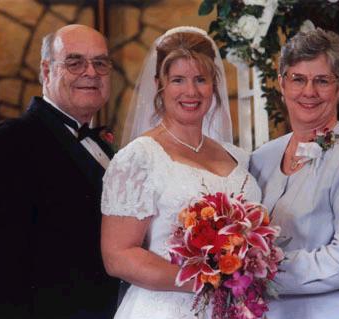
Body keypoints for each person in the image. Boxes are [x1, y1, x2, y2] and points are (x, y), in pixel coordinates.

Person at [100, 26, 262, 318]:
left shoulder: (237, 156)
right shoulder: (139, 157)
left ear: (214, 83)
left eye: (201, 79)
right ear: (159, 84)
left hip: (235, 307)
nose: (191, 91)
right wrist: (207, 280)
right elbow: (118, 257)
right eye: (178, 80)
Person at [250, 28, 339, 319]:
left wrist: (262, 271)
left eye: (322, 81)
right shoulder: (261, 158)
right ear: (281, 84)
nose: (309, 92)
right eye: (298, 79)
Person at [0, 24, 122, 318]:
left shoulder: (105, 146)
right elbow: (0, 266)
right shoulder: (6, 145)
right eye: (75, 62)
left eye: (100, 63)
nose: (91, 72)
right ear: (47, 71)